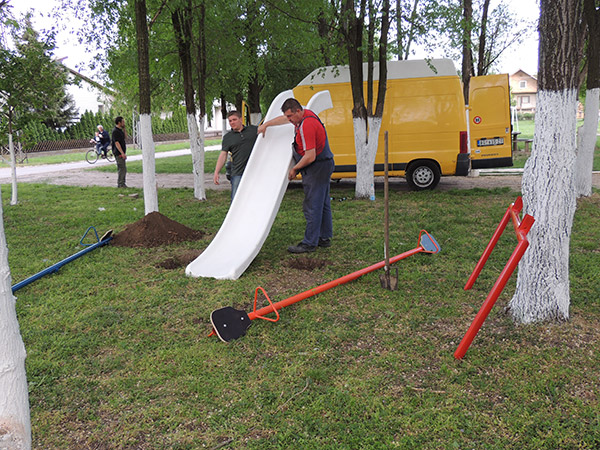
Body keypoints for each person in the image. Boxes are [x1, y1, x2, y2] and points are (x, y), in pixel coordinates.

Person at [258, 98, 335, 253]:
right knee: (323, 202)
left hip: (316, 166)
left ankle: (309, 243)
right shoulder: (304, 114)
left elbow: (310, 156)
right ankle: (324, 238)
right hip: (324, 163)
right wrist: (266, 124)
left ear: (298, 111)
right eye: (287, 117)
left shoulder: (307, 125)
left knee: (312, 205)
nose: (289, 120)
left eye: (290, 117)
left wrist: (295, 169)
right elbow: (283, 119)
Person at [213, 111, 258, 200]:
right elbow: (223, 155)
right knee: (236, 199)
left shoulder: (253, 130)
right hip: (238, 173)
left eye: (234, 120)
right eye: (230, 121)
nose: (232, 122)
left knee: (255, 197)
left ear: (241, 119)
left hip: (255, 171)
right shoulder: (228, 137)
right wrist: (216, 172)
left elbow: (267, 129)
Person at [111, 116, 128, 188]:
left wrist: (124, 129)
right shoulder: (115, 131)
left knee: (123, 168)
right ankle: (121, 184)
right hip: (118, 153)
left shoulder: (120, 130)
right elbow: (117, 143)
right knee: (122, 168)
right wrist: (122, 153)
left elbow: (125, 137)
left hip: (121, 152)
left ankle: (122, 183)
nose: (124, 123)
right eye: (122, 122)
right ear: (119, 122)